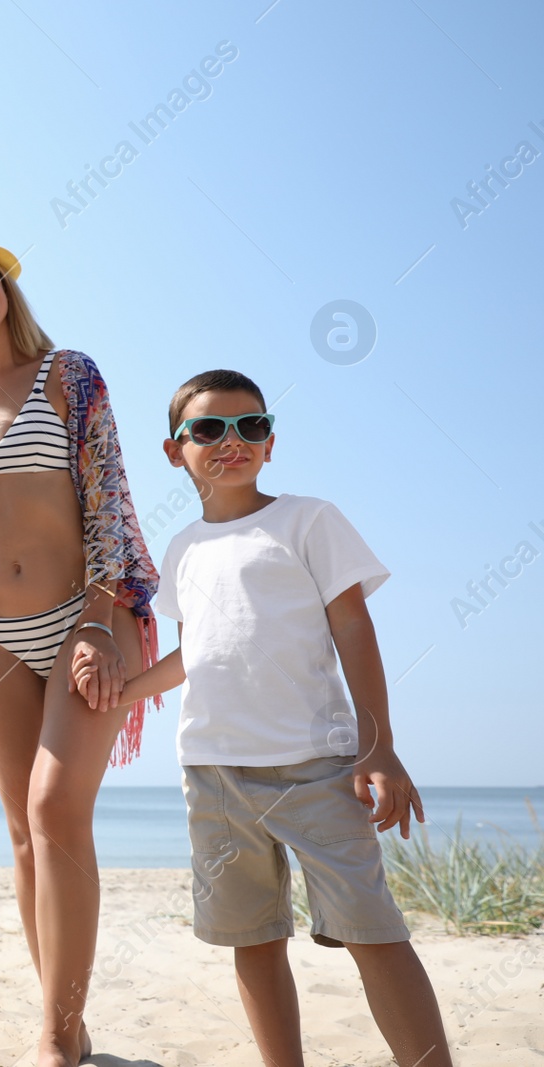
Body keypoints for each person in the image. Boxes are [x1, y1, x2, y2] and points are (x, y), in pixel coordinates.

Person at [109, 369, 452, 1066]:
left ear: (270, 443)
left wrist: (377, 747)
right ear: (175, 451)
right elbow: (195, 652)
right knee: (253, 938)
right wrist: (126, 691)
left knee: (373, 931)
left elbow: (354, 627)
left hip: (317, 767)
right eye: (208, 428)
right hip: (212, 775)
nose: (231, 441)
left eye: (251, 426)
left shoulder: (307, 519)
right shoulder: (183, 549)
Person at [0, 231, 160, 1066]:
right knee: (24, 831)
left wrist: (97, 620)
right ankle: (70, 1022)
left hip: (84, 615)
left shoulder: (70, 375)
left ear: (5, 284)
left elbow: (108, 499)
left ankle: (54, 1040)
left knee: (58, 810)